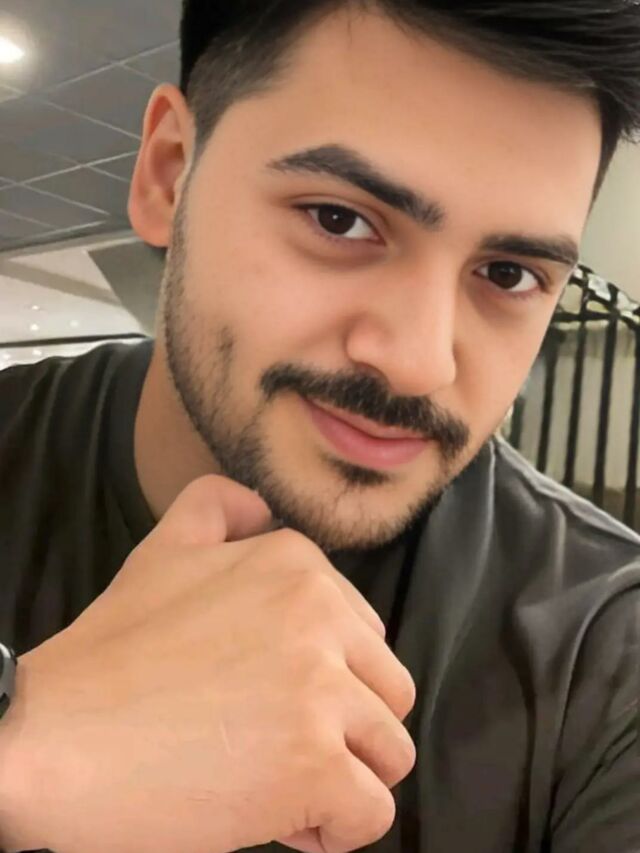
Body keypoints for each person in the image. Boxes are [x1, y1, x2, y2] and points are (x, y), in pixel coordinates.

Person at [0, 1, 639, 851]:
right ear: (169, 176)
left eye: (508, 273)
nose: (419, 362)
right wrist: (24, 751)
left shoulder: (608, 650)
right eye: (340, 219)